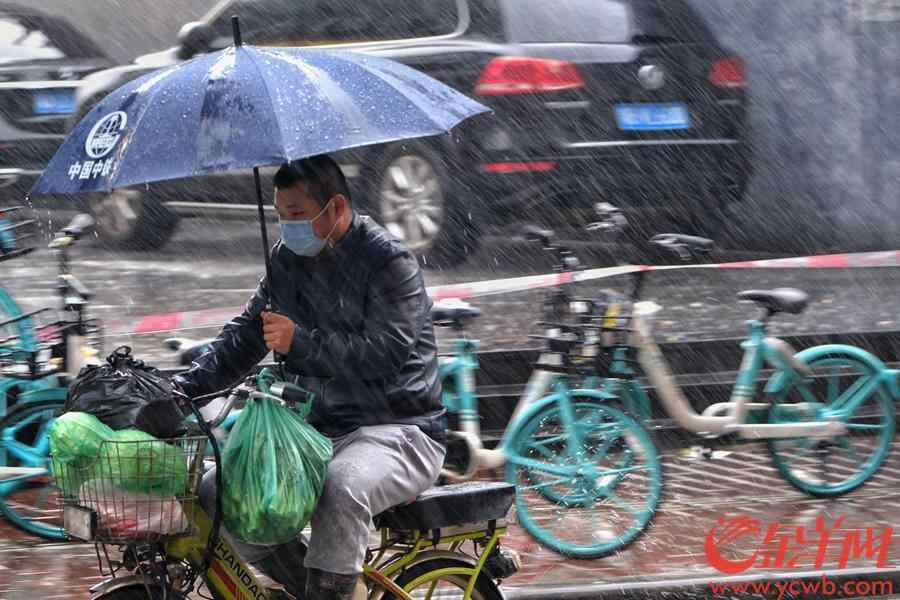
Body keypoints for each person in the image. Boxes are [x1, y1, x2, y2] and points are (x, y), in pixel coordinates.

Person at [173, 155, 447, 600]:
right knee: (218, 491)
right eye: (280, 215)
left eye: (297, 214)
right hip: (315, 429)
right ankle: (309, 585)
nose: (287, 227)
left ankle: (331, 589)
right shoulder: (286, 261)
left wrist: (301, 342)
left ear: (336, 207)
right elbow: (245, 337)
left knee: (341, 487)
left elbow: (386, 356)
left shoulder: (389, 262)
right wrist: (182, 390)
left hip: (399, 429)